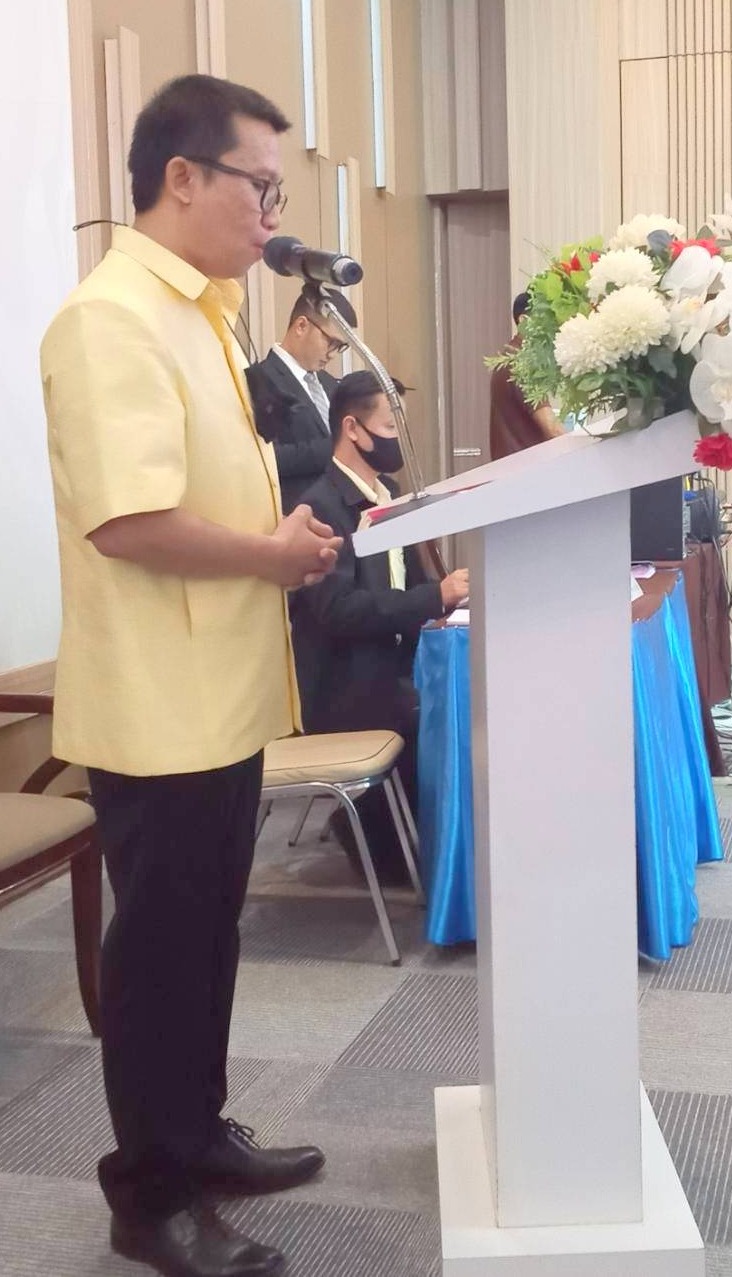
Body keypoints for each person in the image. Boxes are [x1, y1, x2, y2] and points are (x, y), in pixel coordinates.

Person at [40, 73, 343, 1277]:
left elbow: (210, 490)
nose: (271, 215)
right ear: (182, 177)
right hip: (158, 705)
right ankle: (148, 1195)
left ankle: (199, 1134)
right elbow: (128, 520)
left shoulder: (202, 314)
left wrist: (283, 541)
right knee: (160, 955)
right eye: (258, 187)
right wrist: (270, 554)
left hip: (219, 690)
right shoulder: (110, 318)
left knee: (208, 935)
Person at [288, 371, 469, 881]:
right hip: (345, 683)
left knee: (464, 696)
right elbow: (338, 610)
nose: (398, 440)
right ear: (352, 428)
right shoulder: (320, 508)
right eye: (390, 427)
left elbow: (410, 586)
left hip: (392, 664)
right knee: (436, 714)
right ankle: (403, 845)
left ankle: (454, 843)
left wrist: (440, 604)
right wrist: (434, 596)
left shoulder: (388, 495)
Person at [246, 289, 348, 511]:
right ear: (301, 326)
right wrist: (335, 448)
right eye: (330, 342)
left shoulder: (331, 384)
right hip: (297, 514)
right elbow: (265, 458)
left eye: (340, 347)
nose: (332, 354)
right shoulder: (260, 380)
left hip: (345, 514)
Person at [489, 291, 566, 460]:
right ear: (524, 321)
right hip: (527, 469)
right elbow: (553, 430)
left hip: (511, 468)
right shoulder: (521, 363)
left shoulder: (510, 356)